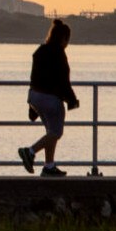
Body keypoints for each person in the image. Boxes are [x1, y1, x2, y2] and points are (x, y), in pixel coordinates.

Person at [19, 18, 79, 177]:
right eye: (67, 40)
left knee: (50, 132)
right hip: (50, 99)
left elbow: (34, 78)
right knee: (56, 133)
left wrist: (31, 107)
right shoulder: (59, 53)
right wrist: (72, 100)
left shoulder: (40, 51)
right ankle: (30, 151)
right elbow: (64, 81)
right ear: (64, 39)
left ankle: (49, 166)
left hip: (34, 96)